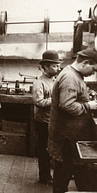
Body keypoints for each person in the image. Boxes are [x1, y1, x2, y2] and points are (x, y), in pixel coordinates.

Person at [48, 48, 97, 193]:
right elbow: (67, 105)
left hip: (71, 134)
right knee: (63, 171)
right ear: (85, 63)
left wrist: (89, 102)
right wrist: (89, 106)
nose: (92, 73)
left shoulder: (74, 75)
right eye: (93, 69)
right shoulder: (70, 77)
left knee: (68, 170)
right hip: (67, 135)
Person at [33, 50, 62, 185]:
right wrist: (55, 99)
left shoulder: (55, 81)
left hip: (53, 120)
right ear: (45, 67)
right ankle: (44, 177)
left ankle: (52, 174)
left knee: (53, 148)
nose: (57, 68)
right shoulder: (39, 83)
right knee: (44, 149)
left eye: (58, 66)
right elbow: (38, 102)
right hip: (43, 122)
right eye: (54, 66)